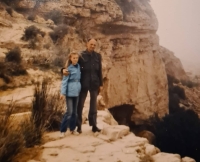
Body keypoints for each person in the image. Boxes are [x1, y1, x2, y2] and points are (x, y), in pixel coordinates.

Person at [62, 38, 103, 133]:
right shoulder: (81, 55)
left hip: (94, 84)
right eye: (91, 44)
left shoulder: (98, 56)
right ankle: (78, 126)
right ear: (87, 44)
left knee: (93, 106)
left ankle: (94, 125)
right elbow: (70, 62)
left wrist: (101, 84)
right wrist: (63, 70)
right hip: (83, 84)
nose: (92, 46)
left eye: (94, 45)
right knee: (80, 105)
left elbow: (100, 71)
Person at [60, 52, 81, 137]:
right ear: (70, 59)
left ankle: (72, 129)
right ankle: (62, 130)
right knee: (69, 112)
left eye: (76, 58)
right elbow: (64, 81)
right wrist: (62, 93)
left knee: (75, 113)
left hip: (77, 91)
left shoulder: (79, 66)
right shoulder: (68, 69)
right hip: (69, 92)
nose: (75, 59)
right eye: (74, 58)